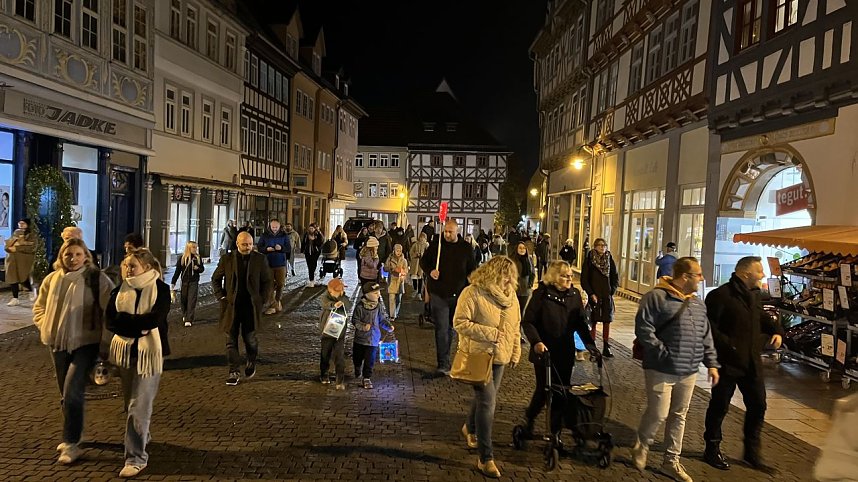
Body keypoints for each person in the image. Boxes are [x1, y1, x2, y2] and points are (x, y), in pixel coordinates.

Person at [631, 256, 720, 482]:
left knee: (679, 415)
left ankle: (671, 461)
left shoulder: (698, 303)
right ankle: (643, 443)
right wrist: (661, 351)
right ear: (685, 277)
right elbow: (643, 328)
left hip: (688, 370)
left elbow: (705, 333)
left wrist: (711, 363)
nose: (702, 278)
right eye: (698, 274)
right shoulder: (656, 297)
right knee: (659, 413)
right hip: (661, 368)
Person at [33, 238, 114, 465]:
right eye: (69, 255)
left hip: (86, 343)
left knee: (72, 390)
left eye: (78, 254)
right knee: (65, 394)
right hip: (58, 343)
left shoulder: (97, 279)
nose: (73, 259)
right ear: (61, 257)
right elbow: (39, 306)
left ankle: (71, 442)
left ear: (86, 256)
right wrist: (45, 325)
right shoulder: (52, 279)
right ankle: (74, 432)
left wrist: (105, 342)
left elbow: (110, 311)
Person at [702, 256, 784, 473]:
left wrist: (777, 331)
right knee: (720, 407)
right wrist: (730, 347)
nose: (763, 275)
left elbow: (762, 317)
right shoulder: (720, 296)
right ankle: (711, 448)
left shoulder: (754, 296)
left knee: (758, 406)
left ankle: (751, 453)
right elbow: (709, 328)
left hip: (751, 364)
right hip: (727, 364)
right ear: (746, 274)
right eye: (759, 271)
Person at [453, 256, 522, 479]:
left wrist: (515, 349)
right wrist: (490, 334)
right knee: (488, 402)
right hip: (479, 354)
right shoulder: (473, 292)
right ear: (493, 273)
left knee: (484, 399)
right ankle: (486, 457)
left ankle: (469, 428)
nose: (509, 280)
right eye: (505, 275)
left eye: (512, 276)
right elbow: (460, 322)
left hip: (500, 357)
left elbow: (515, 326)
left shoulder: (512, 298)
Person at [105, 248, 171, 478]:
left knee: (138, 406)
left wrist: (127, 323)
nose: (128, 269)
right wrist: (136, 325)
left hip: (150, 354)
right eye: (126, 265)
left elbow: (155, 319)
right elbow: (110, 321)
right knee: (129, 404)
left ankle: (136, 458)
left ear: (147, 268)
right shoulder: (119, 290)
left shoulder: (161, 290)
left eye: (132, 266)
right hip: (124, 353)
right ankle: (143, 435)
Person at [521, 260, 600, 438]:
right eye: (565, 276)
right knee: (544, 389)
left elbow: (580, 323)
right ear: (555, 276)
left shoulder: (574, 294)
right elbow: (528, 322)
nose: (569, 279)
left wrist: (590, 345)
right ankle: (530, 417)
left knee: (562, 390)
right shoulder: (541, 294)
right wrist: (536, 342)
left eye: (571, 276)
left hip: (565, 350)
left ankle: (555, 431)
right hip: (544, 351)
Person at [212, 231, 273, 386]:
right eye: (245, 244)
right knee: (230, 341)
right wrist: (222, 297)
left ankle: (251, 360)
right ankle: (233, 370)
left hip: (251, 307)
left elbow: (267, 282)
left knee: (250, 339)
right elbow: (216, 278)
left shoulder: (260, 259)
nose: (248, 247)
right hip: (231, 307)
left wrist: (262, 300)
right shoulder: (227, 259)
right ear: (237, 244)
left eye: (250, 244)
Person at [420, 219, 478, 376]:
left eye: (450, 232)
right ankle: (443, 363)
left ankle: (453, 357)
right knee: (441, 328)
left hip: (458, 295)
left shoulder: (465, 248)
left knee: (452, 328)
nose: (446, 234)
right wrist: (431, 270)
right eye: (445, 231)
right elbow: (424, 261)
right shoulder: (436, 245)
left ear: (456, 231)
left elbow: (472, 269)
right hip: (439, 294)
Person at [580, 238, 619, 358]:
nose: (602, 247)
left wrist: (612, 290)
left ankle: (606, 345)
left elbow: (614, 276)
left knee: (607, 320)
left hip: (606, 295)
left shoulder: (609, 259)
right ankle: (593, 347)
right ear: (595, 246)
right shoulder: (590, 259)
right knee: (593, 320)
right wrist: (591, 293)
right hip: (594, 295)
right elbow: (584, 279)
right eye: (600, 245)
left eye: (604, 245)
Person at [351, 282, 394, 389]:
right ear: (367, 294)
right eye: (375, 293)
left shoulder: (378, 306)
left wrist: (388, 326)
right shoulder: (360, 307)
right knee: (357, 357)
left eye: (379, 292)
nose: (378, 295)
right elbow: (354, 320)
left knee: (370, 359)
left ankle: (367, 377)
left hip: (373, 339)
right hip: (360, 339)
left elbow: (382, 319)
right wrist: (362, 326)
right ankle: (357, 367)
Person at [319, 278, 351, 390]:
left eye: (342, 289)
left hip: (339, 333)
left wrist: (343, 303)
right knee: (325, 354)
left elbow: (348, 305)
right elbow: (325, 303)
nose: (341, 291)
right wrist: (333, 304)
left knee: (339, 356)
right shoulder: (325, 297)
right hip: (327, 333)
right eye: (339, 290)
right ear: (331, 291)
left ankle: (339, 379)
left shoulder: (344, 298)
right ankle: (324, 374)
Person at [257, 219, 290, 314]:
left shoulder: (284, 235)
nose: (274, 229)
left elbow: (288, 249)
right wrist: (266, 249)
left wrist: (282, 248)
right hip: (268, 264)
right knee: (269, 285)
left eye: (276, 227)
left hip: (280, 264)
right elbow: (259, 247)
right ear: (270, 227)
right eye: (273, 227)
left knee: (280, 283)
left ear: (279, 227)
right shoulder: (264, 235)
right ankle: (272, 305)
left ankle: (277, 300)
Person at [170, 241, 204, 327]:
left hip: (194, 281)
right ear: (189, 248)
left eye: (196, 247)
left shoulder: (198, 258)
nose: (195, 249)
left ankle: (189, 318)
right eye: (194, 247)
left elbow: (202, 269)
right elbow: (177, 271)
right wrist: (173, 282)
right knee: (184, 299)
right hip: (184, 282)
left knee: (192, 300)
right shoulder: (182, 258)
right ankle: (185, 314)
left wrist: (197, 268)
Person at [5, 218, 37, 306]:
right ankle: (15, 298)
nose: (21, 225)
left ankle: (31, 290)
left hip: (23, 260)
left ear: (27, 224)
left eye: (23, 223)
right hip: (12, 259)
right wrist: (8, 248)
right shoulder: (16, 233)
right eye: (20, 223)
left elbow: (32, 247)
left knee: (23, 278)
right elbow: (9, 244)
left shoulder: (31, 235)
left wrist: (18, 248)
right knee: (13, 278)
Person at [385, 244, 409, 321]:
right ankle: (392, 315)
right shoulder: (390, 259)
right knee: (391, 298)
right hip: (392, 280)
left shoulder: (404, 260)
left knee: (398, 299)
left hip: (400, 281)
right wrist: (392, 269)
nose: (398, 252)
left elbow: (406, 270)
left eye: (400, 251)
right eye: (397, 250)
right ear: (394, 250)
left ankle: (396, 312)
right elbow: (385, 268)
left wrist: (402, 271)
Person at [511, 242, 534, 316]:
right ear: (516, 249)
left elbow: (532, 273)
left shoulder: (529, 259)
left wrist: (530, 284)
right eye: (520, 248)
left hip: (525, 289)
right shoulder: (512, 259)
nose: (522, 250)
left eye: (524, 248)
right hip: (514, 289)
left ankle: (519, 325)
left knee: (521, 310)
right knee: (513, 310)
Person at [409, 233, 429, 300]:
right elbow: (411, 252)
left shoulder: (426, 245)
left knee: (420, 278)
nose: (421, 238)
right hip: (415, 263)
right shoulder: (415, 244)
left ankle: (419, 292)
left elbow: (429, 254)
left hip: (422, 264)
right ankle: (415, 289)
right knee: (414, 277)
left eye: (423, 237)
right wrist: (415, 254)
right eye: (421, 237)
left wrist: (423, 255)